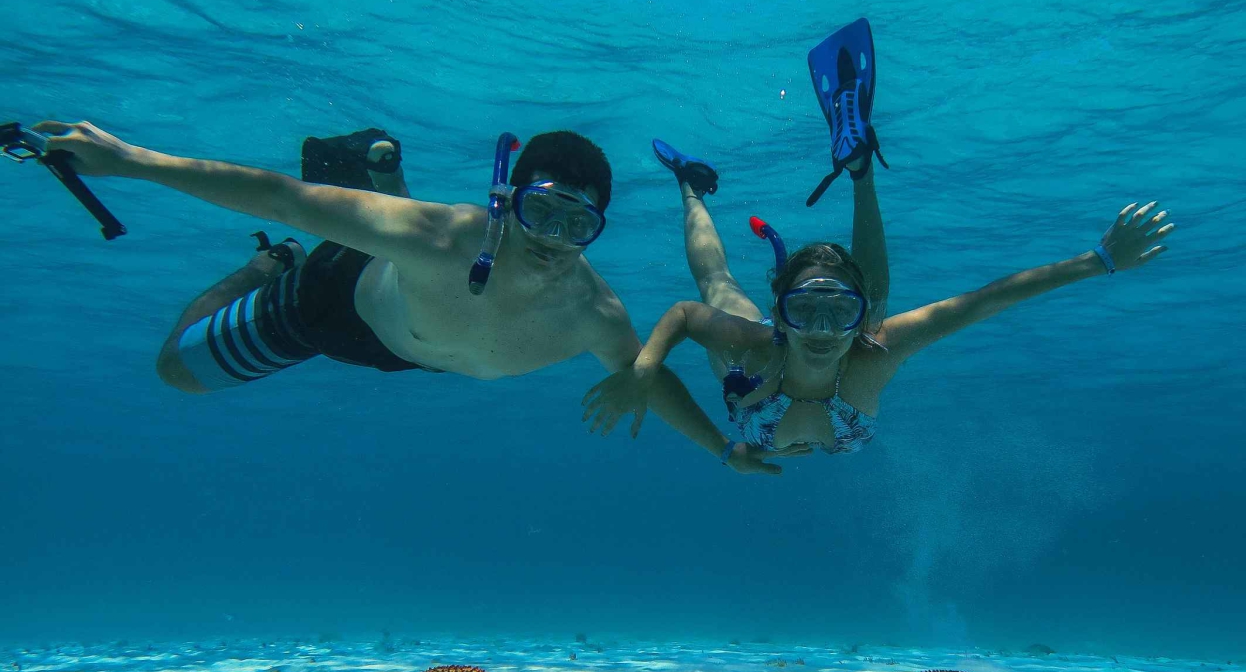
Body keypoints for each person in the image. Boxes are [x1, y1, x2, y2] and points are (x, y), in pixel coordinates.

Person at [31, 119, 794, 474]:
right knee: (176, 369)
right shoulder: (444, 237)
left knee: (382, 256)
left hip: (419, 347)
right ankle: (281, 264)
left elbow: (647, 378)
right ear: (508, 200)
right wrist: (129, 160)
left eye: (578, 223)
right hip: (335, 307)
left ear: (597, 230)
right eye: (541, 211)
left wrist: (723, 447)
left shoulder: (596, 313)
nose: (554, 239)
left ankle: (378, 183)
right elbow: (281, 197)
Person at [582, 19, 1175, 457]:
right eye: (806, 309)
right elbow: (686, 314)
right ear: (780, 314)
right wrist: (643, 370)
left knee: (871, 314)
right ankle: (696, 188)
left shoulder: (865, 345)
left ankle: (856, 173)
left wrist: (1102, 259)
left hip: (779, 393)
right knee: (721, 284)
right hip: (765, 367)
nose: (819, 328)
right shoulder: (768, 344)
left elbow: (988, 299)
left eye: (835, 311)